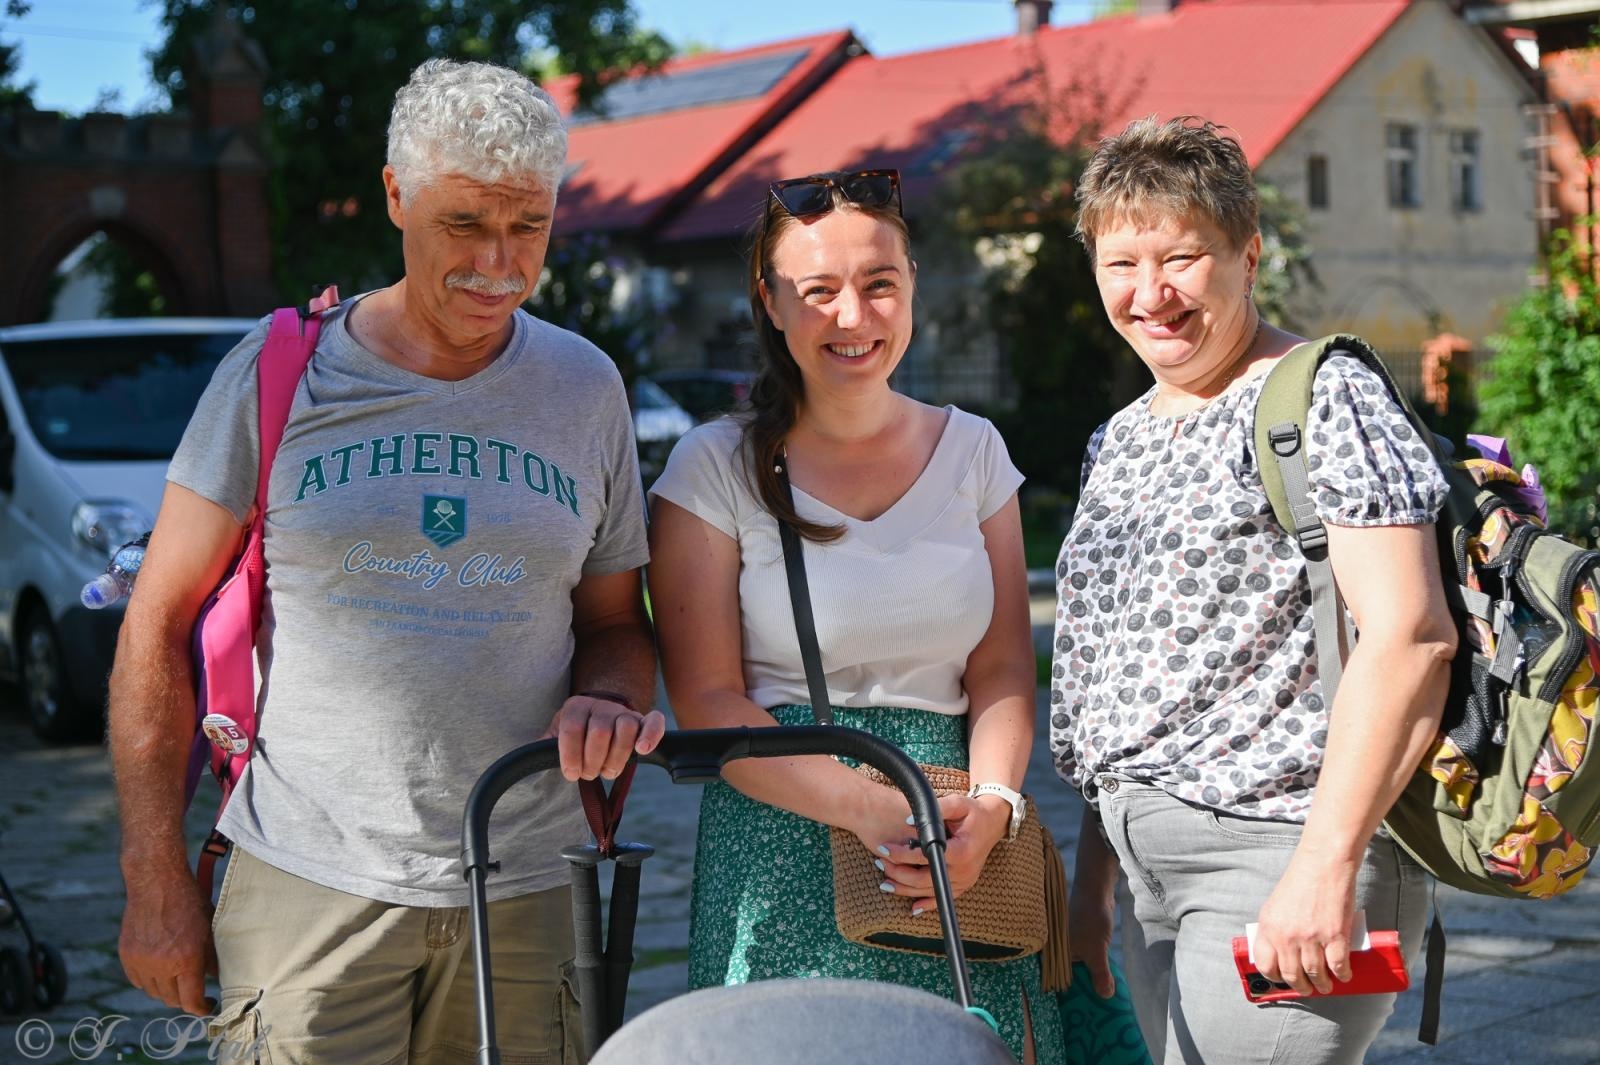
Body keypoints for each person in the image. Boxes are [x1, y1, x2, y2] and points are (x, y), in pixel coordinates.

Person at [109, 58, 664, 1064]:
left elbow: (616, 625)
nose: (499, 264)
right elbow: (154, 621)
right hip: (308, 887)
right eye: (465, 224)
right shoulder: (278, 372)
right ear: (397, 195)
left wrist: (611, 700)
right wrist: (155, 879)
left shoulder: (586, 388)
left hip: (531, 891)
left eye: (527, 227)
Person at [1051, 115, 1457, 1065]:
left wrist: (1324, 868)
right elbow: (1121, 675)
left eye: (1183, 257)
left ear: (1248, 253)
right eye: (1121, 264)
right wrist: (1090, 887)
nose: (1150, 293)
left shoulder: (1321, 393)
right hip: (1147, 877)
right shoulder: (1120, 437)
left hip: (1283, 856)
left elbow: (1412, 637)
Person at [647, 168, 1063, 1063]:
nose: (853, 316)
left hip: (953, 847)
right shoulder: (714, 465)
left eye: (879, 284)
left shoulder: (973, 449)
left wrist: (992, 807)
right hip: (787, 828)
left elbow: (999, 669)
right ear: (769, 302)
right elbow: (709, 699)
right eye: (819, 291)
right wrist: (869, 805)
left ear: (910, 284)